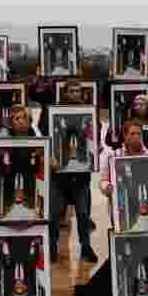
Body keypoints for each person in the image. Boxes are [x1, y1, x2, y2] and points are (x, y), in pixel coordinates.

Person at [74, 119, 148, 296]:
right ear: (124, 136)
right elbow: (102, 180)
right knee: (123, 249)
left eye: (138, 133)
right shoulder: (114, 156)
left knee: (141, 250)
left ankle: (137, 286)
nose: (135, 137)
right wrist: (107, 187)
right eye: (132, 133)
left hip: (145, 212)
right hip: (121, 211)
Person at [44, 88, 98, 264]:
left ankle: (86, 247)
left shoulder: (90, 114)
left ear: (82, 94)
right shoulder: (53, 113)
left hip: (81, 176)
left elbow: (95, 139)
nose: (74, 94)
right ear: (64, 93)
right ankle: (52, 246)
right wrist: (49, 155)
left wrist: (95, 153)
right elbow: (44, 139)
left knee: (83, 213)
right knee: (54, 213)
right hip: (58, 175)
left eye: (77, 91)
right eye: (71, 91)